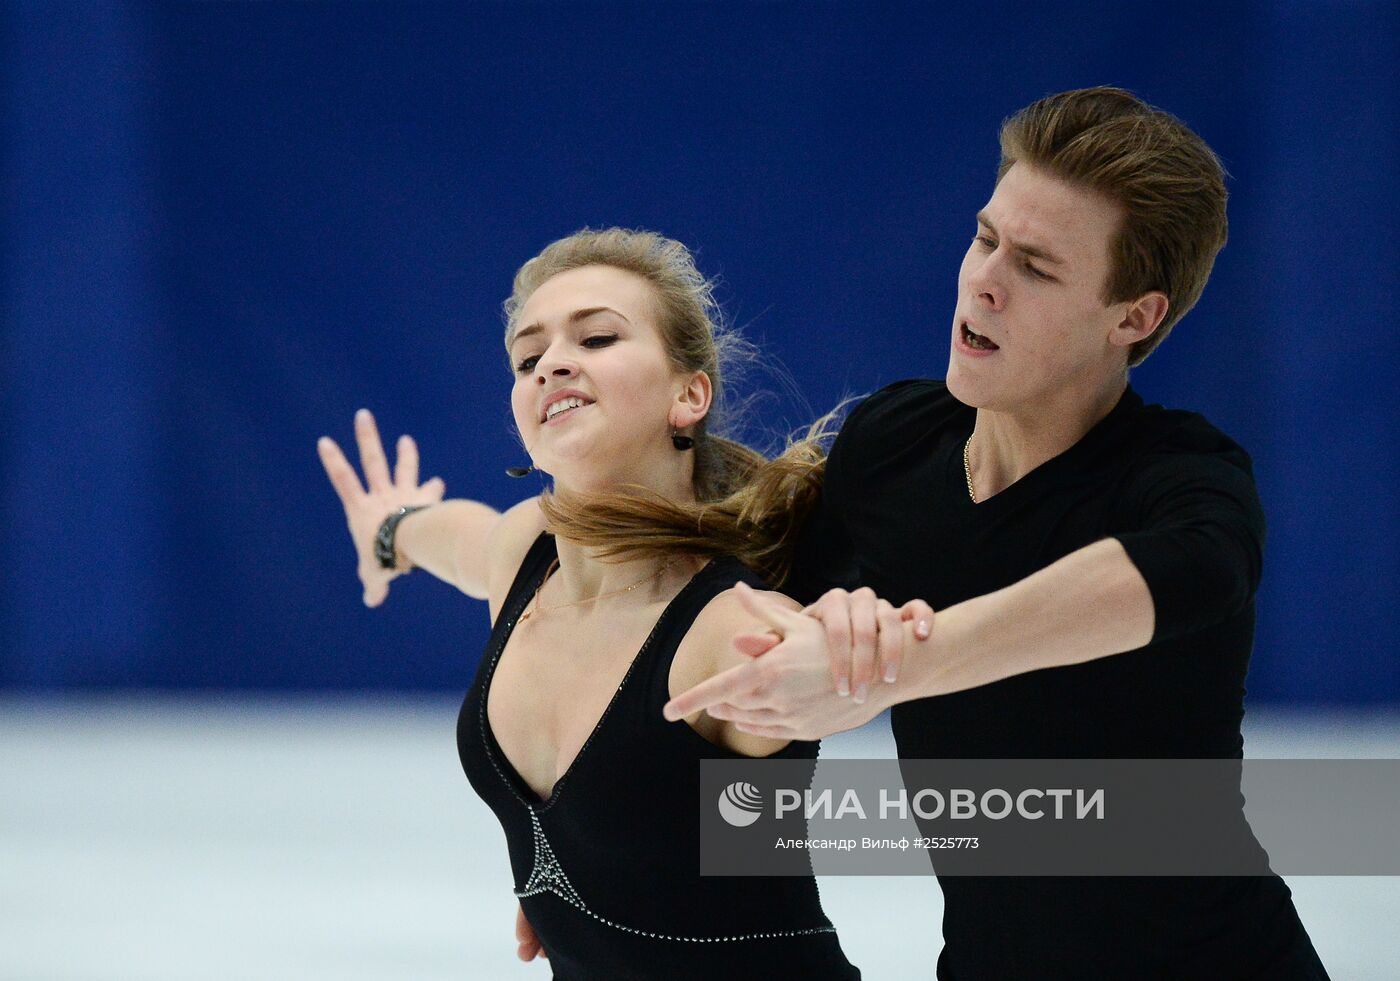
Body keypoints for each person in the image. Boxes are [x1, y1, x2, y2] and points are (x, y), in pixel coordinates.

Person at [663, 87, 1332, 979]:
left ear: (1134, 317)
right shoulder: (894, 444)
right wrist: (590, 873)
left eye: (1037, 267)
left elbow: (1186, 573)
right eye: (985, 238)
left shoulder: (1183, 479)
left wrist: (901, 661)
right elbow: (742, 669)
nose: (984, 280)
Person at [317, 229, 866, 979]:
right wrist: (384, 532)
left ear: (688, 394)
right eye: (527, 356)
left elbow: (934, 823)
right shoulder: (524, 554)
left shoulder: (731, 628)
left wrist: (860, 670)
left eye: (599, 336)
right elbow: (444, 535)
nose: (553, 364)